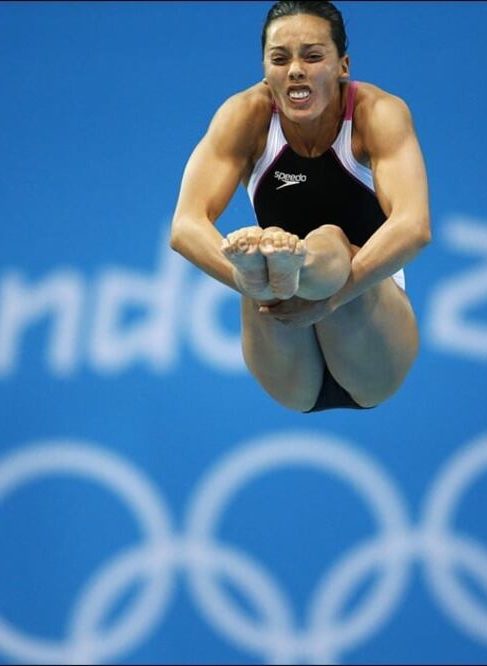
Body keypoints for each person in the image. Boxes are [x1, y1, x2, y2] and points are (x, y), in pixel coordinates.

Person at [170, 0, 431, 413]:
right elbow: (185, 226)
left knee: (328, 241)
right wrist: (247, 282)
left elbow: (414, 226)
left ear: (342, 65)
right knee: (255, 257)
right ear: (265, 68)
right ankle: (271, 273)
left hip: (373, 336)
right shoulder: (245, 116)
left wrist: (330, 298)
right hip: (284, 347)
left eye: (312, 56)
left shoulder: (377, 114)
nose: (295, 69)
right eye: (280, 58)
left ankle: (295, 264)